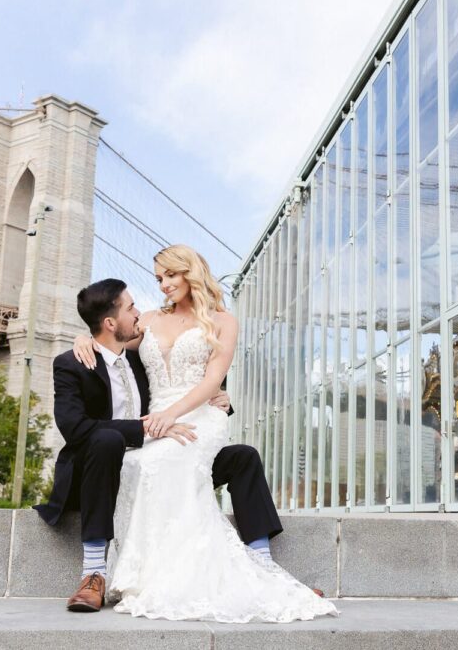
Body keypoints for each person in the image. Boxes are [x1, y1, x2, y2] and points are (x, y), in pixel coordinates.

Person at [67, 245, 336, 622]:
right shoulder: (146, 319)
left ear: (190, 272)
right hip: (156, 420)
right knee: (140, 462)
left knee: (173, 459)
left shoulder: (224, 321)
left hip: (198, 416)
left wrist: (170, 414)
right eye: (159, 278)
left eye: (170, 275)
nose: (163, 285)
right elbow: (107, 340)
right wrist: (83, 339)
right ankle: (120, 570)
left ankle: (261, 568)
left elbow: (213, 379)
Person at [33, 275, 286, 615]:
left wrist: (221, 397)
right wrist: (146, 430)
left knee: (243, 457)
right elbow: (76, 430)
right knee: (106, 439)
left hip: (165, 450)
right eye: (130, 307)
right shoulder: (72, 364)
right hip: (102, 469)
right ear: (110, 322)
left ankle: (265, 567)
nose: (139, 313)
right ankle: (93, 572)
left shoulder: (140, 357)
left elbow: (185, 380)